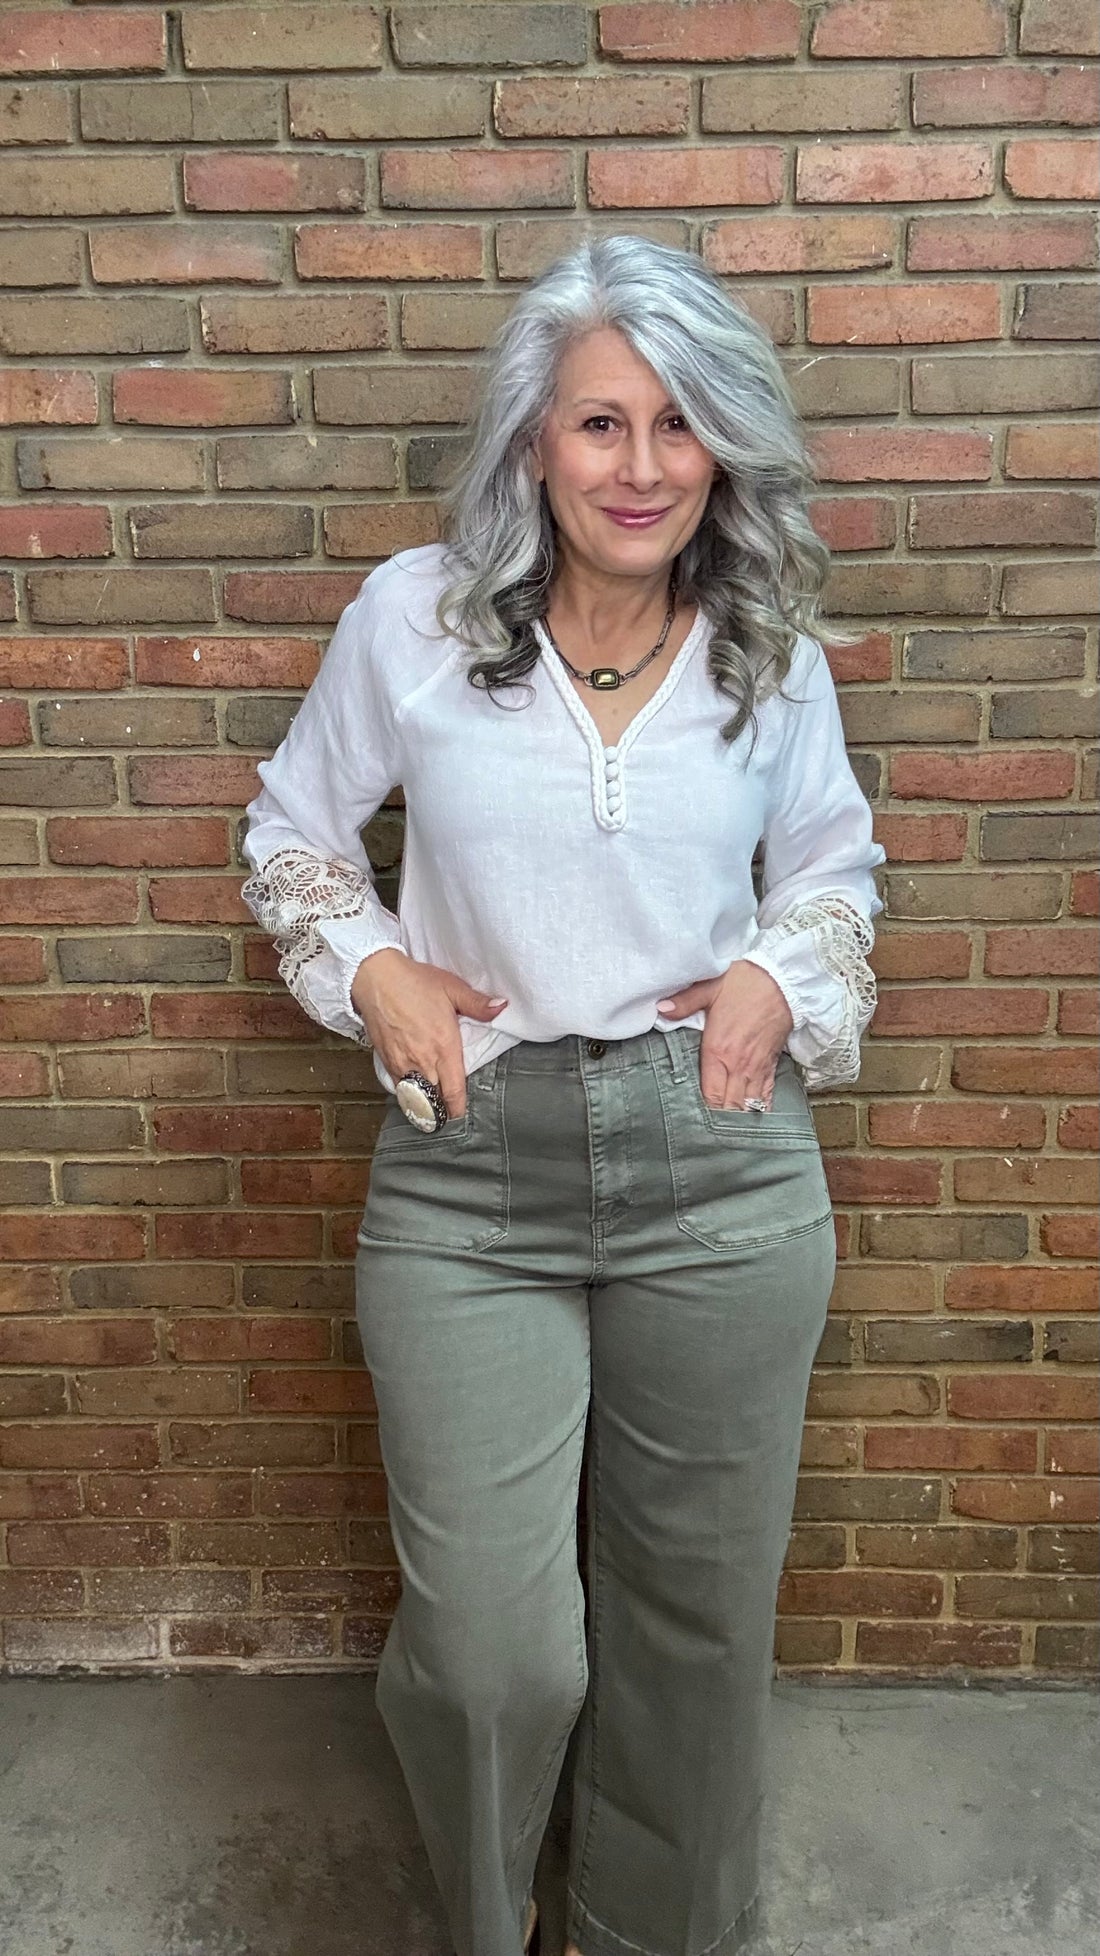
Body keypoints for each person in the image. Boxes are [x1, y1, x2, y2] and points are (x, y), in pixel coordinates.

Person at [241, 234, 887, 1956]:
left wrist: (777, 969)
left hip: (723, 1169)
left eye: (682, 427)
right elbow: (294, 833)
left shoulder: (769, 652)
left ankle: (649, 1931)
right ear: (535, 438)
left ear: (724, 450)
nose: (645, 467)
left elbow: (837, 863)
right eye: (604, 423)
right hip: (469, 1180)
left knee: (693, 1628)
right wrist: (371, 967)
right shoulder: (416, 623)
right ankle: (487, 1922)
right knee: (493, 1649)